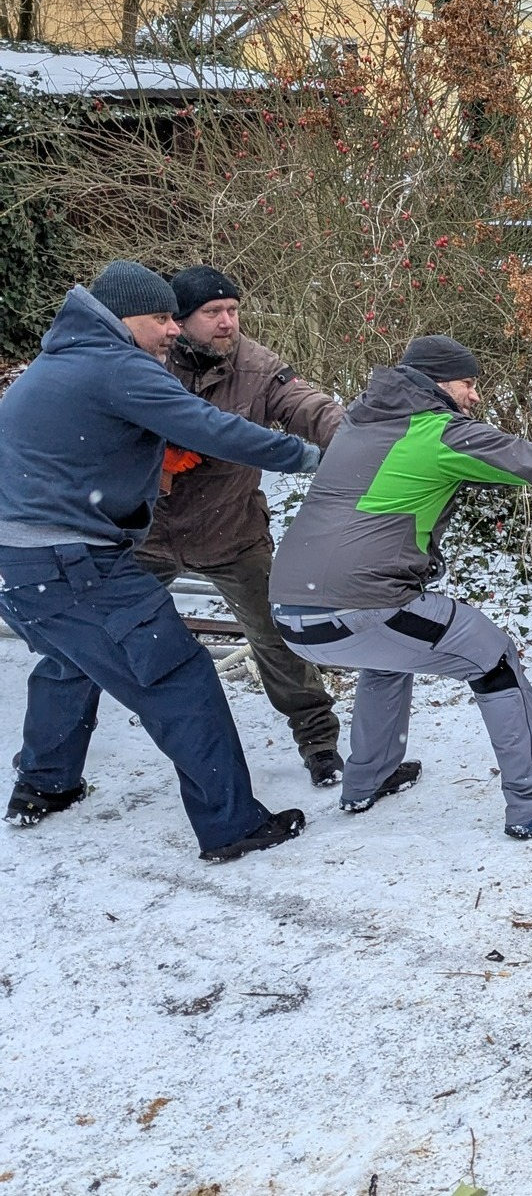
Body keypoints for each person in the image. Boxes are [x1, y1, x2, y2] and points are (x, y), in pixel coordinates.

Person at [269, 335, 532, 839]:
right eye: (468, 384)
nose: (474, 396)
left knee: (390, 659)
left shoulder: (361, 426)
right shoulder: (439, 432)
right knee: (492, 657)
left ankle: (368, 779)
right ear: (435, 383)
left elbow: (490, 473)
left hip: (294, 611)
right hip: (361, 602)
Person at [0, 262, 321, 862]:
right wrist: (309, 457)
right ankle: (232, 826)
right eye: (161, 318)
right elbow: (211, 427)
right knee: (180, 679)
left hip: (25, 565)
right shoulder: (116, 366)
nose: (174, 329)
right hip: (79, 564)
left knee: (70, 664)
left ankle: (44, 785)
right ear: (124, 318)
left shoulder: (57, 362)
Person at [136, 264, 347, 788]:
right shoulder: (145, 363)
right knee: (99, 634)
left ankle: (319, 740)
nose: (228, 321)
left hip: (233, 531)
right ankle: (49, 769)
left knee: (278, 638)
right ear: (179, 321)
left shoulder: (256, 366)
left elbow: (305, 404)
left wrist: (353, 436)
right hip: (148, 535)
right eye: (212, 313)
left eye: (233, 310)